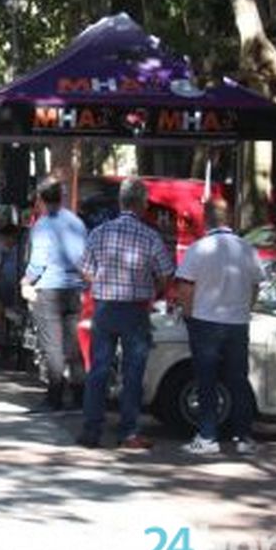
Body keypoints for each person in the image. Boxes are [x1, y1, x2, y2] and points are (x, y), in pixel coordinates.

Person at [78, 177, 175, 450]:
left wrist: (100, 281)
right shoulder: (150, 236)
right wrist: (154, 291)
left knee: (98, 369)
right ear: (142, 204)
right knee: (133, 372)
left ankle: (91, 430)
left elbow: (85, 269)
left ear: (121, 202)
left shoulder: (99, 233)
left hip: (105, 307)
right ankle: (128, 432)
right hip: (135, 309)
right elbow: (166, 273)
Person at [175, 197, 264, 456]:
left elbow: (185, 287)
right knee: (238, 379)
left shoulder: (199, 249)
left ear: (206, 218)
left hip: (205, 321)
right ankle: (244, 436)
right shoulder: (246, 248)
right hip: (237, 322)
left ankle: (208, 435)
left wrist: (189, 315)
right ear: (230, 218)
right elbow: (256, 284)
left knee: (206, 380)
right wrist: (245, 308)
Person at [21, 178, 87, 411]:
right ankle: (80, 395)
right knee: (73, 345)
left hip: (49, 289)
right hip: (74, 288)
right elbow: (84, 259)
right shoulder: (76, 223)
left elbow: (38, 262)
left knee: (52, 346)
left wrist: (26, 280)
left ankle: (55, 397)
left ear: (40, 199)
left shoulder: (42, 226)